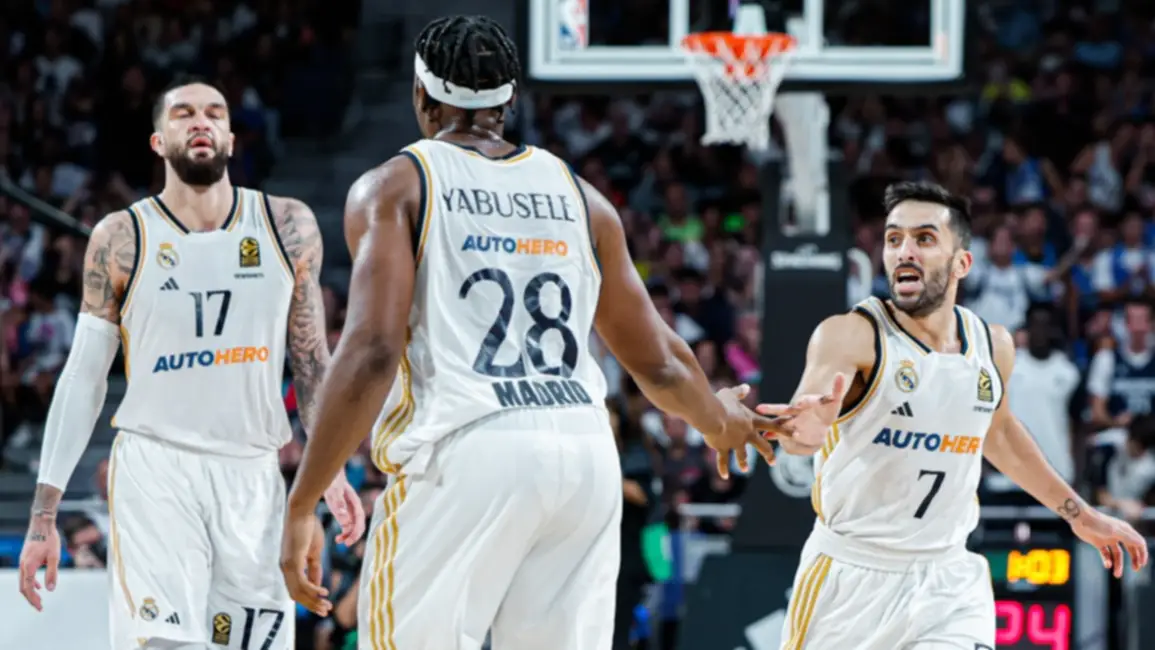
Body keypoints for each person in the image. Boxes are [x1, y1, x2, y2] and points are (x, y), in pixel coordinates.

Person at [278, 15, 791, 650]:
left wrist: (302, 502)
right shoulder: (583, 198)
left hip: (469, 447)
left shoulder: (394, 187)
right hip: (583, 451)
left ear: (421, 96)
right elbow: (658, 360)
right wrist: (717, 420)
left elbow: (374, 351)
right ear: (510, 100)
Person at [17, 80, 366, 650]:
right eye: (183, 113)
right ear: (159, 141)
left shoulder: (287, 225)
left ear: (231, 137)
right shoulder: (121, 237)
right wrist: (43, 516)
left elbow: (310, 364)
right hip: (157, 469)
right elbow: (83, 377)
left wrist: (329, 474)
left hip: (253, 473)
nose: (200, 121)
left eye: (214, 113)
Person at [760, 181, 1149, 649]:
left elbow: (999, 435)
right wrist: (804, 430)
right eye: (893, 238)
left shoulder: (992, 346)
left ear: (962, 263)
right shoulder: (852, 335)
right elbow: (804, 428)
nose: (904, 251)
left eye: (924, 238)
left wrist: (1078, 514)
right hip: (852, 580)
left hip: (949, 580)